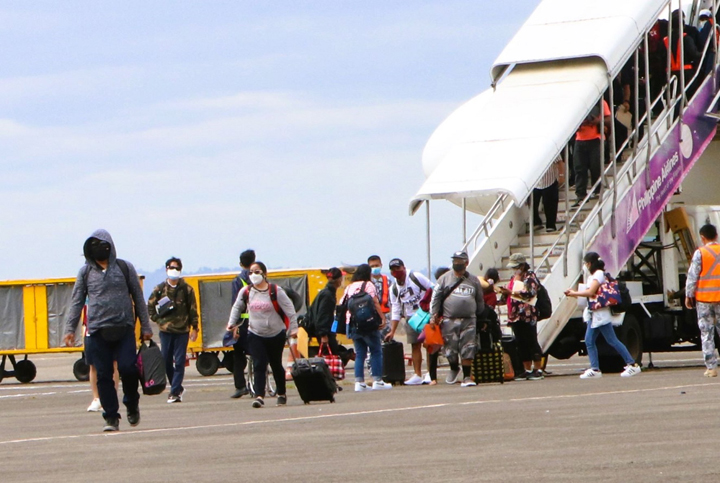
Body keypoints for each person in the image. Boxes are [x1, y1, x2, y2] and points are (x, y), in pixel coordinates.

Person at [64, 229, 153, 432]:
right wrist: (70, 328)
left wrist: (146, 326)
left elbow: (138, 297)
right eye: (94, 246)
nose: (100, 250)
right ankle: (111, 416)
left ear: (110, 247)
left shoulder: (124, 268)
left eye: (103, 245)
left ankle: (132, 402)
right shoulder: (85, 272)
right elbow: (76, 301)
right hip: (97, 331)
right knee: (103, 375)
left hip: (123, 329)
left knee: (128, 368)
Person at [227, 261, 298, 408]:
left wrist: (293, 328)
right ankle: (259, 395)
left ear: (264, 274)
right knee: (259, 363)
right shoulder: (246, 291)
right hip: (255, 333)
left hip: (275, 333)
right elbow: (237, 307)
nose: (253, 275)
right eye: (251, 272)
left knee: (276, 364)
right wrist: (231, 323)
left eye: (257, 272)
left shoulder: (275, 291)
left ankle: (281, 393)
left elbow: (289, 309)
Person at [565, 252, 642, 379]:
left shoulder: (598, 274)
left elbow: (591, 292)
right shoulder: (593, 276)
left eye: (585, 263)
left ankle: (632, 365)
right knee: (590, 340)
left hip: (600, 314)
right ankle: (595, 369)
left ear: (590, 263)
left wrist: (574, 293)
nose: (585, 266)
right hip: (594, 314)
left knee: (611, 340)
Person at [147, 257, 199, 403]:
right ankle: (177, 386)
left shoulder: (187, 289)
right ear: (166, 269)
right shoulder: (159, 289)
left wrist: (195, 328)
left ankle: (175, 391)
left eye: (176, 268)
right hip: (165, 331)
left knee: (180, 361)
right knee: (165, 360)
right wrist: (157, 319)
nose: (173, 270)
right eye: (171, 267)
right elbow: (150, 306)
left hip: (182, 331)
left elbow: (193, 310)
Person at [430, 251, 484, 387]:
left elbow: (480, 301)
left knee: (468, 348)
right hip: (449, 320)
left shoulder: (474, 280)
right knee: (450, 349)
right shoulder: (444, 279)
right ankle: (454, 367)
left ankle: (467, 376)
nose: (457, 263)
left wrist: (478, 315)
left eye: (460, 261)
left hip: (469, 320)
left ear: (466, 262)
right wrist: (433, 315)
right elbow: (435, 298)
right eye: (455, 261)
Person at [341, 263, 391, 392]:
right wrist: (382, 318)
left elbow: (342, 304)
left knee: (360, 353)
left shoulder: (349, 287)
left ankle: (359, 383)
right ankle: (377, 380)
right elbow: (375, 302)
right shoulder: (369, 285)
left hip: (352, 323)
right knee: (375, 351)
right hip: (368, 323)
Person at [385, 258, 433, 385]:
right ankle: (417, 374)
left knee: (429, 344)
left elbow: (432, 288)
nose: (396, 272)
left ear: (404, 268)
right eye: (393, 270)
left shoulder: (415, 277)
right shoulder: (394, 288)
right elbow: (395, 309)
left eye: (398, 268)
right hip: (411, 318)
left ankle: (430, 372)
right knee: (414, 345)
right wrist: (392, 330)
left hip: (425, 315)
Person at [497, 253, 545, 381]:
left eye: (516, 267)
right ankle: (527, 369)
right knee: (521, 343)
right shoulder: (514, 279)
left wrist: (511, 292)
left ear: (522, 266)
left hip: (527, 315)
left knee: (531, 341)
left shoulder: (530, 277)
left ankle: (537, 369)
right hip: (515, 316)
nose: (514, 270)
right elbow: (507, 294)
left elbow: (529, 293)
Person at [685, 224, 720, 377]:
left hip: (704, 300)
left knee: (707, 333)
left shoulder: (700, 253)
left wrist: (689, 295)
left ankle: (711, 368)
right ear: (716, 236)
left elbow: (692, 276)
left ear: (703, 237)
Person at [310, 267, 353, 366]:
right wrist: (323, 335)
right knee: (332, 357)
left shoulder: (326, 292)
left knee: (332, 355)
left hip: (326, 331)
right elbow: (323, 315)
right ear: (338, 280)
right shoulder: (328, 295)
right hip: (325, 333)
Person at [573, 99, 611, 207]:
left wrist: (597, 121)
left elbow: (609, 119)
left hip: (596, 138)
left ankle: (597, 189)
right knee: (579, 168)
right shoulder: (577, 103)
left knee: (596, 166)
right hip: (579, 139)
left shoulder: (601, 102)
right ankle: (580, 195)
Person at [229, 248, 255, 399]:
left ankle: (240, 386)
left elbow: (235, 304)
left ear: (240, 263)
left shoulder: (238, 281)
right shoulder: (261, 278)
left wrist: (234, 325)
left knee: (238, 355)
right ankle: (259, 384)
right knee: (258, 354)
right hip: (258, 321)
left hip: (242, 323)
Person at [532, 158, 560, 232]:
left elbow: (559, 161)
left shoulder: (551, 147)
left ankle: (550, 225)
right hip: (535, 182)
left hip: (550, 180)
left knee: (549, 203)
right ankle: (536, 222)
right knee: (532, 204)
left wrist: (561, 175)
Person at [368, 255, 391, 333]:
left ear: (381, 265)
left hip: (386, 315)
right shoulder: (367, 282)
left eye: (376, 265)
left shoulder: (387, 280)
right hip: (371, 315)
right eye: (372, 266)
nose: (375, 268)